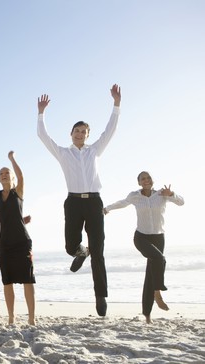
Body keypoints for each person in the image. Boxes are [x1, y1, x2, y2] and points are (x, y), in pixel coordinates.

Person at [37, 84, 121, 316]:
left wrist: (116, 104)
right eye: (77, 131)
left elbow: (110, 131)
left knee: (99, 251)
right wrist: (41, 113)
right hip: (73, 203)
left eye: (84, 131)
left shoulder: (95, 151)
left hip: (94, 203)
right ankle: (80, 252)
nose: (80, 134)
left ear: (87, 135)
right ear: (71, 133)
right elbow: (42, 136)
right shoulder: (63, 153)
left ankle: (100, 296)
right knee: (69, 245)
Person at [104, 171, 184, 323]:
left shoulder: (162, 194)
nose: (146, 180)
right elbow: (122, 203)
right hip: (141, 237)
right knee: (159, 258)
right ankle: (158, 292)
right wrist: (107, 208)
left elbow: (181, 202)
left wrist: (172, 193)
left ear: (152, 180)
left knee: (151, 272)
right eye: (143, 179)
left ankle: (147, 314)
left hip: (159, 237)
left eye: (148, 178)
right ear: (139, 182)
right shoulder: (135, 196)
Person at [0, 151, 36, 325]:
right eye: (1, 173)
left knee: (28, 279)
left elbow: (21, 175)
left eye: (6, 173)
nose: (4, 175)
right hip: (5, 244)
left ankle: (31, 318)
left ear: (11, 177)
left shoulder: (18, 191)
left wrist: (12, 159)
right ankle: (11, 317)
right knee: (7, 281)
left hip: (22, 242)